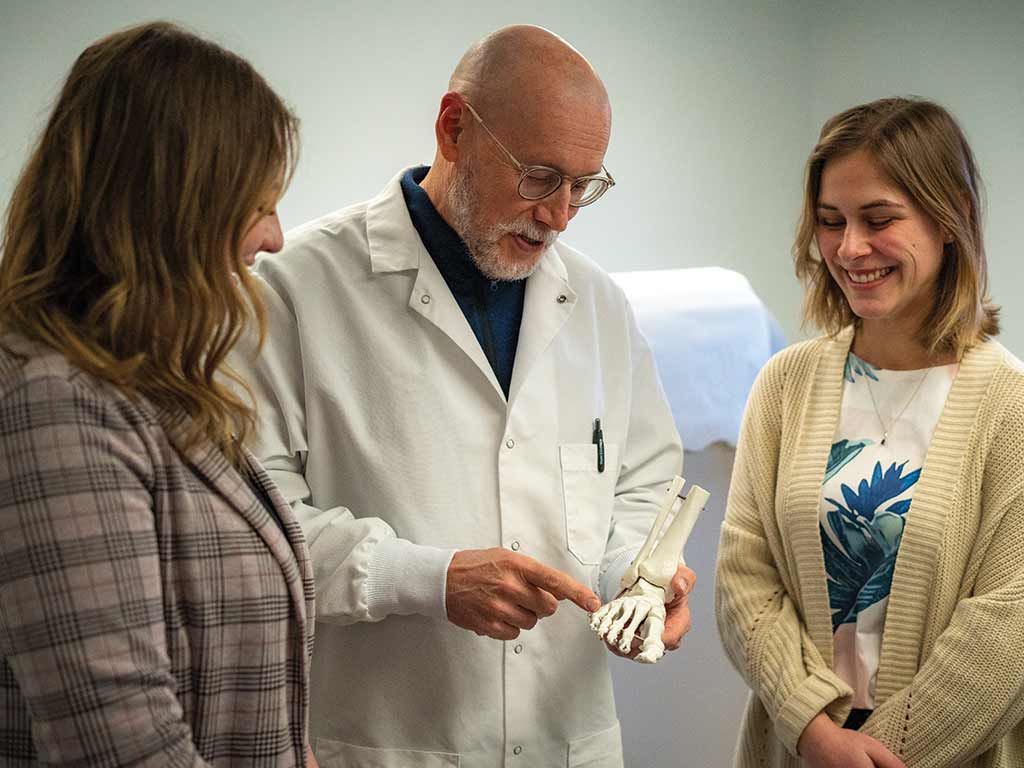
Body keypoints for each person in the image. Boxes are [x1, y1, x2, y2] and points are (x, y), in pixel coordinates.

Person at [232, 24, 693, 767]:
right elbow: (250, 526)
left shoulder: (599, 305)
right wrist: (425, 579)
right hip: (386, 741)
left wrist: (633, 579)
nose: (560, 215)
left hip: (566, 741)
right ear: (454, 128)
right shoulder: (294, 291)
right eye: (540, 176)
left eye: (583, 186)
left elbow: (642, 482)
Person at [0, 22, 318, 766]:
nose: (274, 237)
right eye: (259, 203)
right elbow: (122, 744)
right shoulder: (54, 402)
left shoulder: (155, 385)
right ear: (174, 205)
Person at [715, 96, 1024, 768]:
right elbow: (745, 579)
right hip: (796, 750)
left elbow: (1009, 628)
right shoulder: (785, 385)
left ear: (953, 218)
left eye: (879, 219)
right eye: (831, 222)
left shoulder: (1012, 408)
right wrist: (815, 733)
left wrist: (878, 755)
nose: (850, 248)